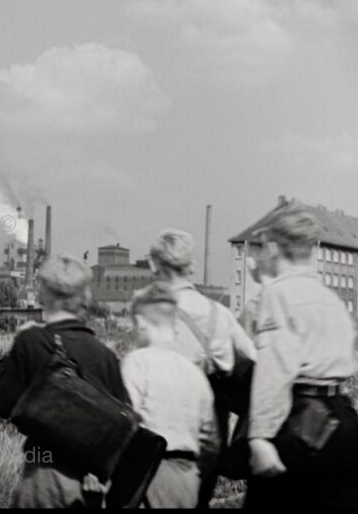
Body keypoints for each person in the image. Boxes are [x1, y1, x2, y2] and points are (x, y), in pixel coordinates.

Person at [244, 208, 358, 509]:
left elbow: (276, 365)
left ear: (273, 248)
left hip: (301, 419)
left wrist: (260, 437)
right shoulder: (330, 298)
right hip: (342, 418)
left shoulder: (279, 294)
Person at [0, 254, 127, 508]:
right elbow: (122, 425)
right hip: (91, 484)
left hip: (43, 468)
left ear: (43, 294)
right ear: (85, 298)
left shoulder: (30, 341)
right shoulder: (106, 355)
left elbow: (2, 405)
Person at [147, 228, 257, 507]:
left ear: (153, 264)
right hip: (209, 437)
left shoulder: (150, 314)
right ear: (192, 266)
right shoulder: (218, 313)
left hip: (162, 438)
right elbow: (254, 362)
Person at [120, 282, 220, 508]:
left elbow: (126, 424)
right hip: (187, 477)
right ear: (175, 326)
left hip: (147, 473)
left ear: (140, 323)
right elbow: (211, 442)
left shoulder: (136, 363)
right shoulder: (195, 374)